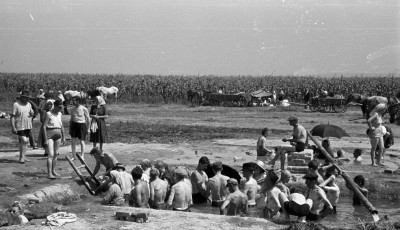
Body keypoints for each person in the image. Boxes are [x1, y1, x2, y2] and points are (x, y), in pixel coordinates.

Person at [10, 90, 38, 164]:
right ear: (21, 97)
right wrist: (13, 127)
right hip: (19, 125)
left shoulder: (28, 104)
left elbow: (31, 112)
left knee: (25, 142)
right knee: (24, 140)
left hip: (28, 125)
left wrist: (32, 114)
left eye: (28, 98)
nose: (27, 99)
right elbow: (12, 116)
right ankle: (22, 157)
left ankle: (22, 157)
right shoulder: (16, 104)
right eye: (25, 97)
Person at [41, 99, 66, 179]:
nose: (60, 109)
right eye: (58, 107)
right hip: (50, 134)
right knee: (51, 154)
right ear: (54, 106)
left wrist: (64, 137)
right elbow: (44, 127)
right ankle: (49, 173)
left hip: (58, 134)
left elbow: (62, 126)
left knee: (56, 154)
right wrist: (45, 139)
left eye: (61, 107)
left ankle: (54, 170)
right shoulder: (48, 114)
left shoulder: (60, 114)